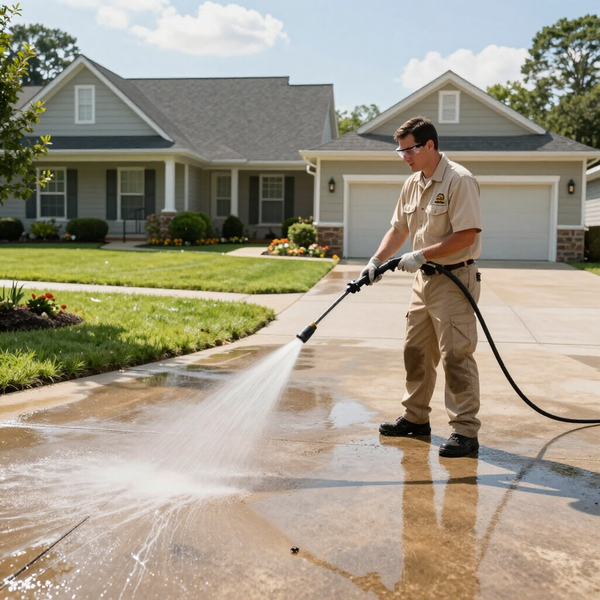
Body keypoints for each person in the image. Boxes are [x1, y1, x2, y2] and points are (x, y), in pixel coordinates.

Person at [360, 115, 482, 458]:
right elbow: (398, 230)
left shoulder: (459, 180)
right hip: (423, 281)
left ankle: (465, 431)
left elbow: (466, 235)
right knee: (415, 352)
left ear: (430, 145)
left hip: (455, 279)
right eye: (400, 152)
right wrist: (375, 261)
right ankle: (416, 419)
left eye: (409, 150)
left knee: (456, 355)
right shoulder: (412, 184)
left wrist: (421, 254)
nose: (405, 157)